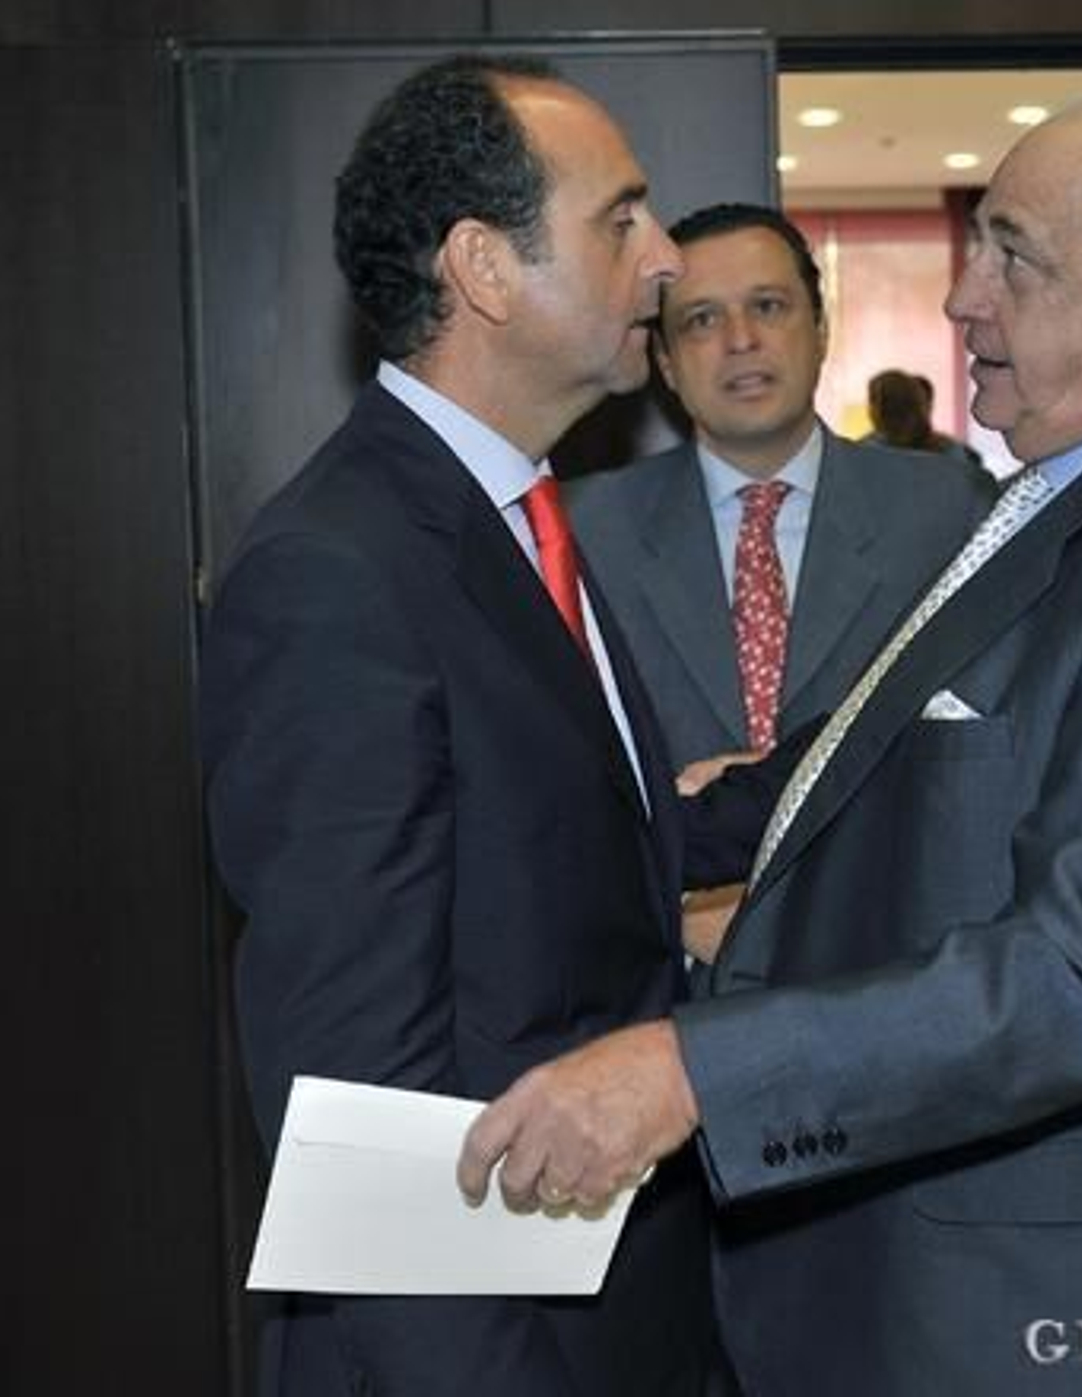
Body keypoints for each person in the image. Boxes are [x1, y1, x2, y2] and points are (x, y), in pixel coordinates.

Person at [458, 91, 1082, 1396]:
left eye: (1015, 257)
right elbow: (889, 750)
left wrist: (693, 1070)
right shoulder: (1075, 490)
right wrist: (596, 840)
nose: (961, 298)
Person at [200, 54, 768, 1397]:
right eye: (619, 220)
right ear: (485, 268)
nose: (665, 258)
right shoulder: (337, 572)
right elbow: (362, 1105)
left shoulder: (518, 521)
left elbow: (575, 845)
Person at [566, 203, 993, 771]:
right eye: (702, 320)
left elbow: (990, 738)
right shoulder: (587, 532)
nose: (741, 339)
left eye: (767, 306)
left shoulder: (949, 514)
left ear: (820, 329)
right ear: (666, 362)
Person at [864, 366, 984, 467]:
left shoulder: (950, 454)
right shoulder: (864, 452)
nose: (877, 411)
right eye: (874, 401)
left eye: (891, 404)